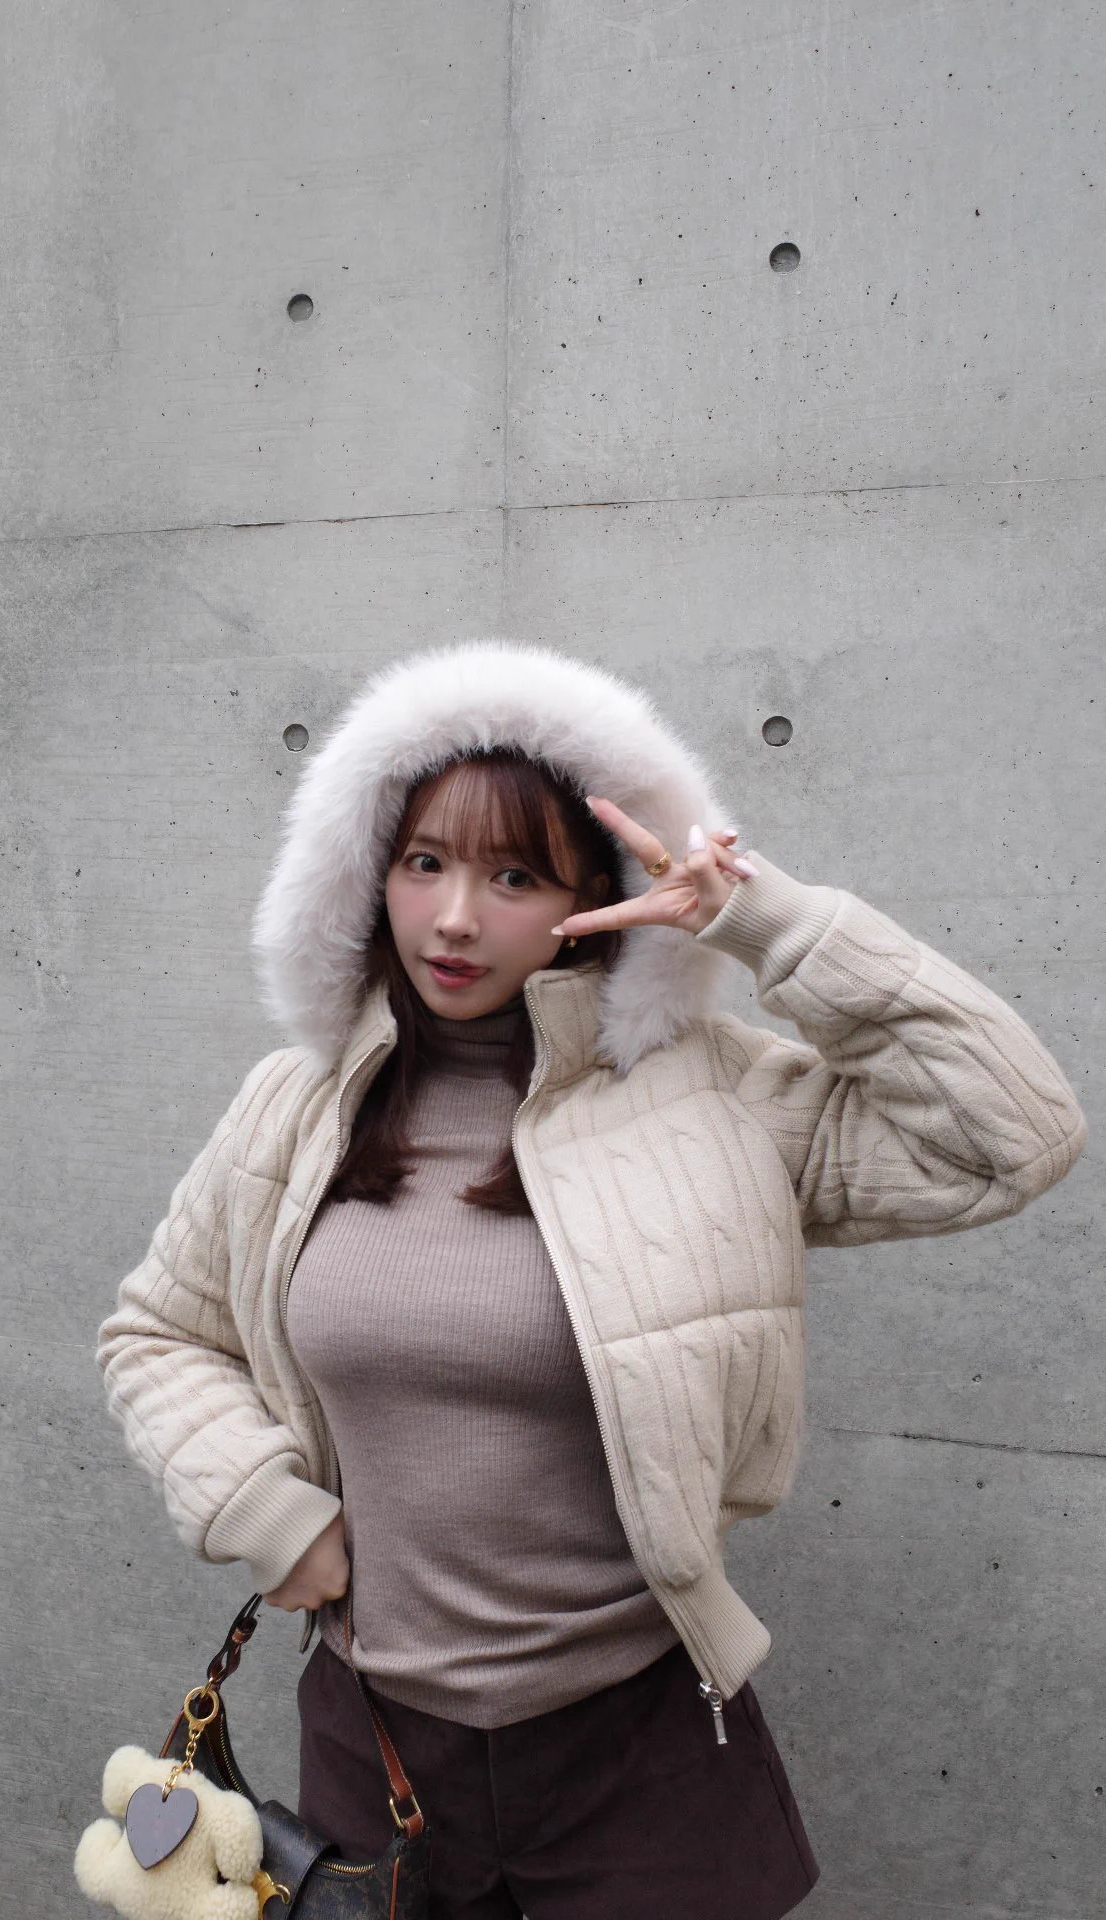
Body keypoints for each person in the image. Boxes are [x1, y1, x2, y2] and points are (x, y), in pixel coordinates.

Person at [96, 639, 1087, 1919]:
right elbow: (159, 1333)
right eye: (423, 863)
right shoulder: (293, 1108)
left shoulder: (708, 1095)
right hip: (372, 1740)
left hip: (637, 1743)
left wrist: (761, 919)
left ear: (596, 893)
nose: (455, 918)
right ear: (364, 873)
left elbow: (1009, 1138)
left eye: (514, 875)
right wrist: (259, 1509)